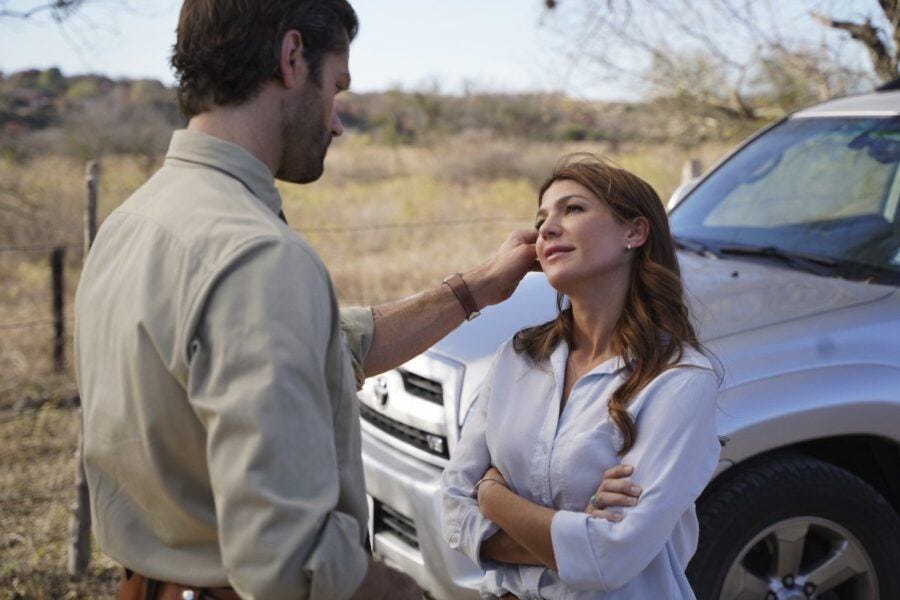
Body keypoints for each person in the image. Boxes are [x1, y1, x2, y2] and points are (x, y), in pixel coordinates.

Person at [73, 1, 538, 599]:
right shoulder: (258, 258)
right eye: (336, 87)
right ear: (293, 57)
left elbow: (327, 346)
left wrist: (475, 289)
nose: (336, 123)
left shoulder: (132, 221)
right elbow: (290, 561)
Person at [441, 154, 721, 599]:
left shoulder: (680, 380)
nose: (546, 229)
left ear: (634, 232)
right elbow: (454, 508)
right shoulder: (517, 357)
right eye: (541, 220)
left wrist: (494, 497)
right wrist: (574, 533)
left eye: (572, 209)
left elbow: (611, 558)